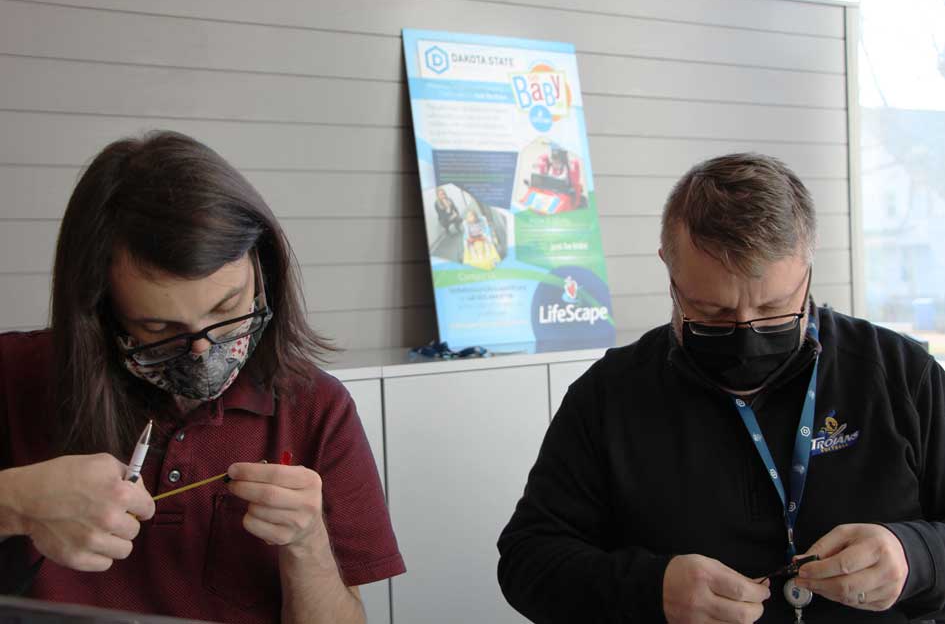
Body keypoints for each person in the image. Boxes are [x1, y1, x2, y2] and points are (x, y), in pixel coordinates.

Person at [497, 153, 945, 623]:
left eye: (774, 310)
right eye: (711, 313)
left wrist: (917, 557)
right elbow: (527, 561)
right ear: (669, 272)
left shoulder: (900, 375)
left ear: (808, 267)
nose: (746, 337)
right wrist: (651, 589)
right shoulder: (608, 396)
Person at [0, 131, 405, 623]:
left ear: (262, 266)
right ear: (100, 309)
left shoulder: (317, 408)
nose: (202, 350)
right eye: (159, 327)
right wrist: (15, 502)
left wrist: (307, 544)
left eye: (227, 307)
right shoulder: (12, 375)